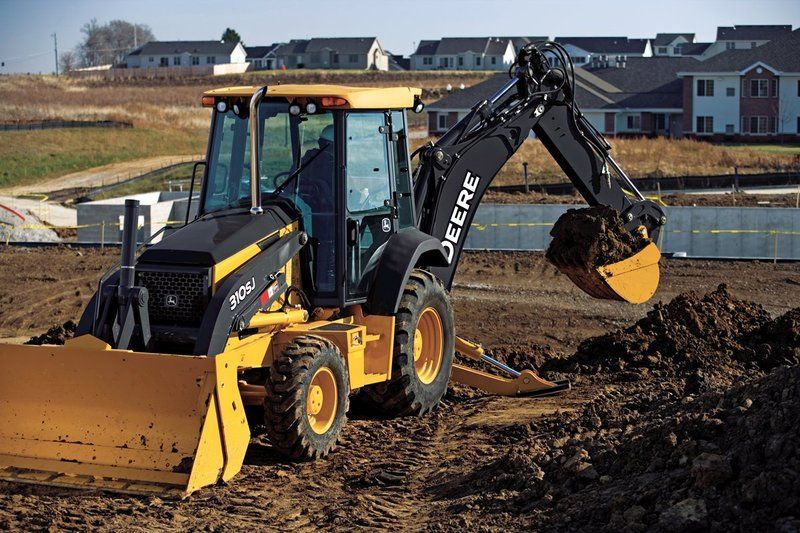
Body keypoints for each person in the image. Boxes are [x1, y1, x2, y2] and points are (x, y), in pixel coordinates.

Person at [296, 123, 336, 294]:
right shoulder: (332, 164)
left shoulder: (307, 160)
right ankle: (326, 284)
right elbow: (338, 193)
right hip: (326, 218)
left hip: (306, 214)